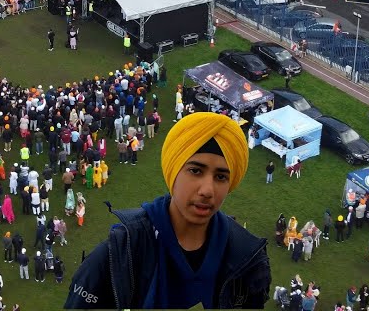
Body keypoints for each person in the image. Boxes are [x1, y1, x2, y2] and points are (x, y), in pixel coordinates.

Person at [66, 112, 270, 309]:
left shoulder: (247, 259)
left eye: (221, 177)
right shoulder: (118, 255)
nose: (208, 190)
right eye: (196, 171)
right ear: (173, 171)